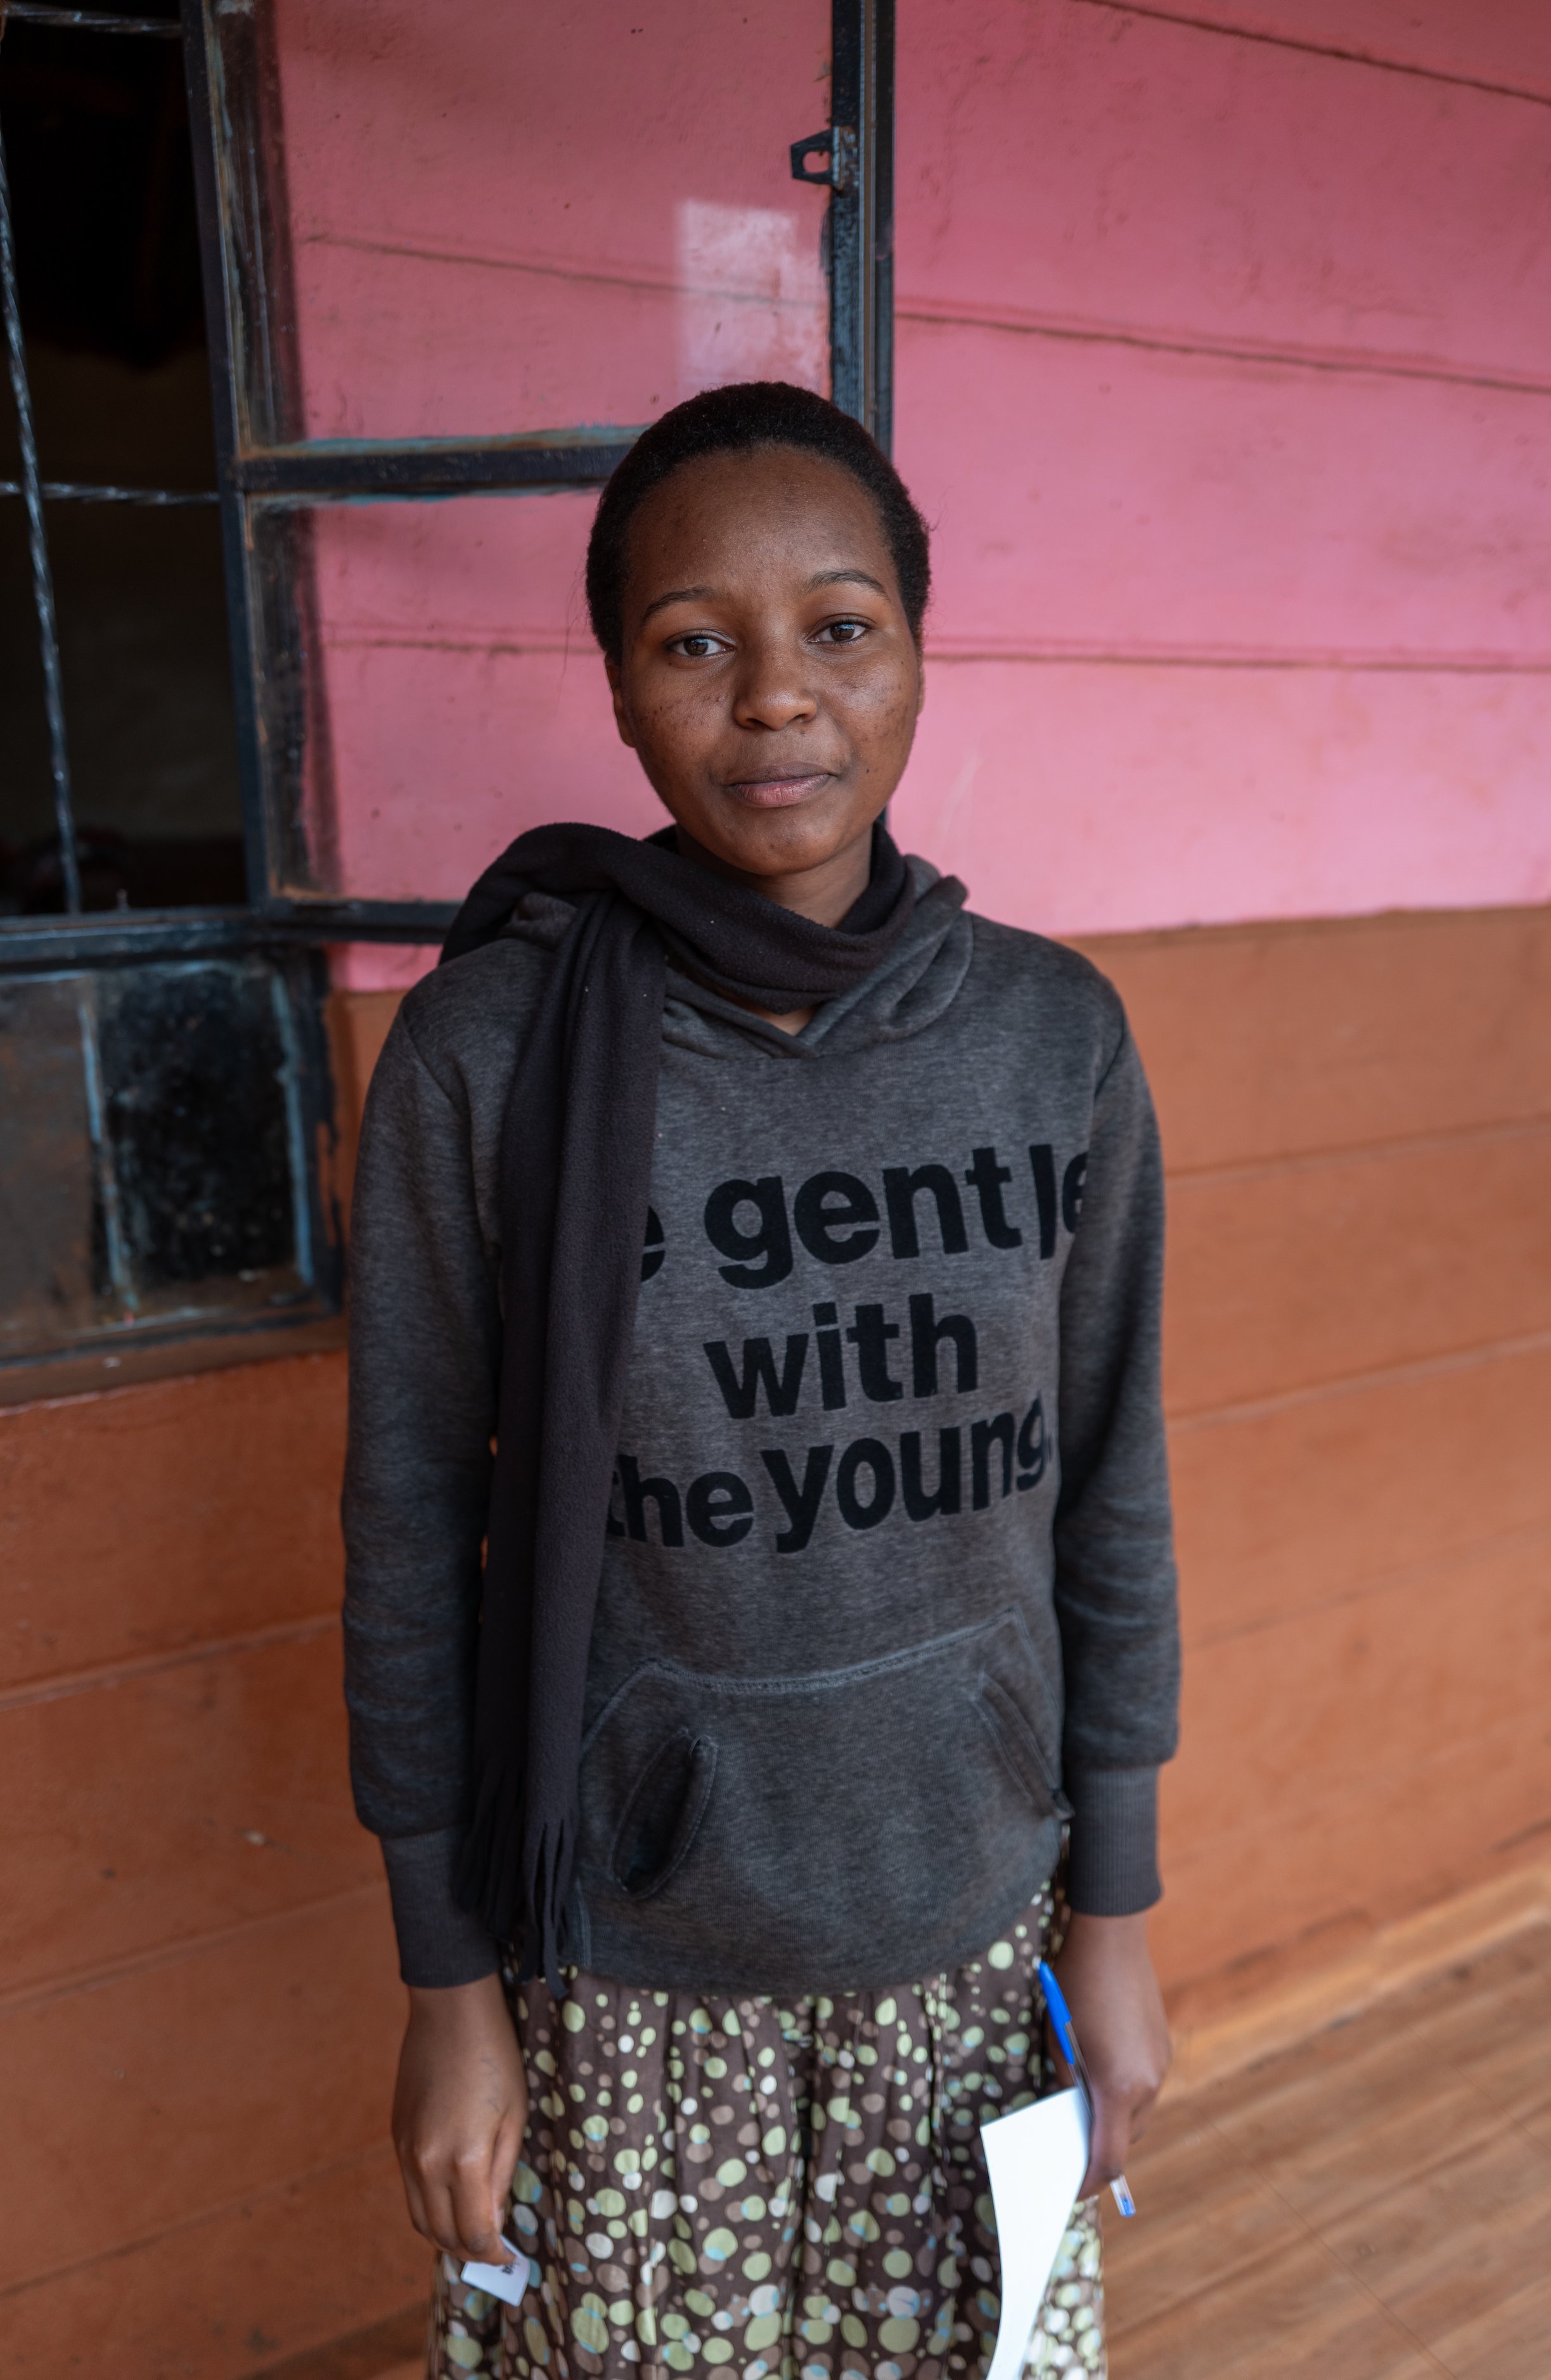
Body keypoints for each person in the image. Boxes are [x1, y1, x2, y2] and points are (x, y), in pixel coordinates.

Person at [342, 380, 1180, 2380]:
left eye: (837, 625)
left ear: (914, 648)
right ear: (621, 694)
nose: (774, 697)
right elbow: (405, 1534)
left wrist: (1116, 1918)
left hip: (974, 1942)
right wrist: (446, 1988)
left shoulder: (1051, 1037)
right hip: (626, 1975)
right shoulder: (485, 1059)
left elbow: (1107, 1491)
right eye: (692, 640)